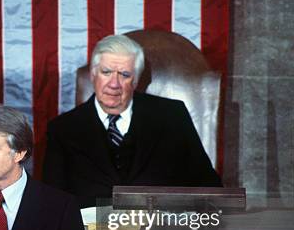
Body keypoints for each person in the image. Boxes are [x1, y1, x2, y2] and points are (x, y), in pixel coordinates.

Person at [43, 34, 222, 208]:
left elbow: (209, 186)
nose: (114, 84)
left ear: (136, 80)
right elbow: (53, 204)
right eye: (106, 72)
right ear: (92, 75)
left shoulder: (172, 116)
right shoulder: (63, 130)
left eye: (124, 74)